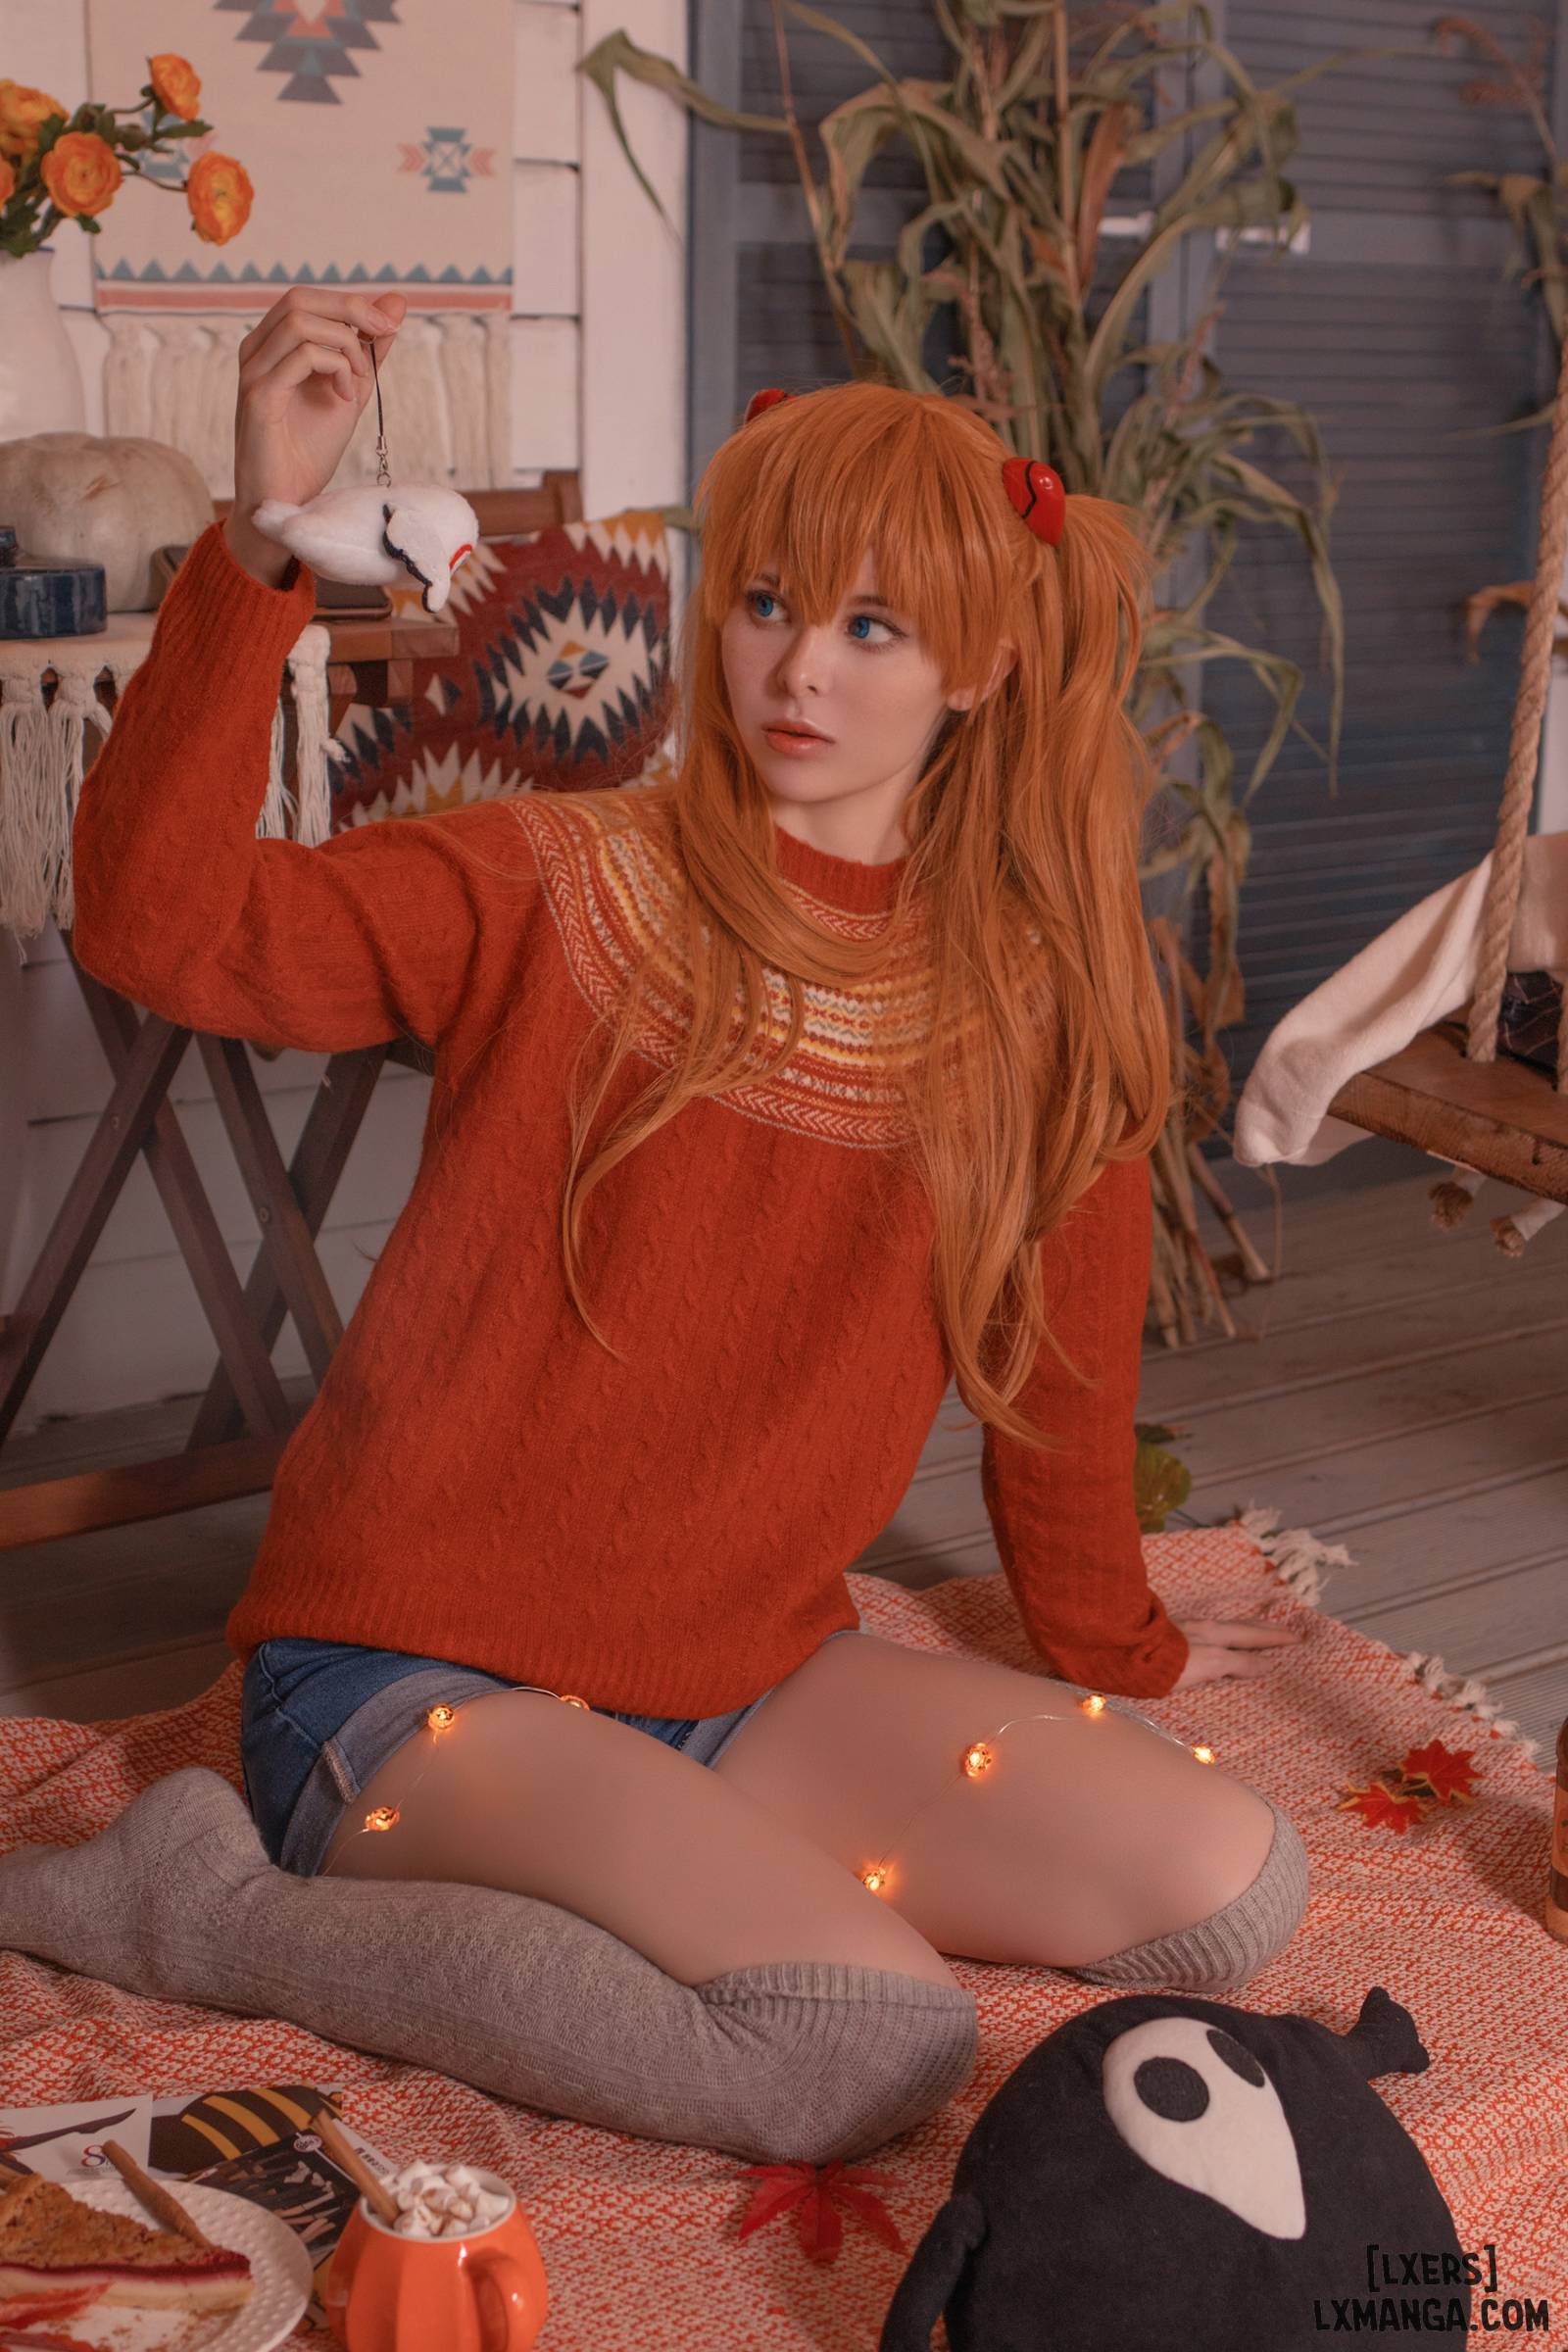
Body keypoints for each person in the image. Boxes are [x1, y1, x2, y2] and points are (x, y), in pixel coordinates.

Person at [14, 285, 1307, 2162]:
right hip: (407, 1669)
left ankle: (672, 1851)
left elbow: (1059, 1387)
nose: (799, 669)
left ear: (983, 666)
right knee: (855, 2047)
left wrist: (1123, 1653)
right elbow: (160, 926)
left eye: (874, 627)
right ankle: (201, 1911)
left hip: (742, 1676)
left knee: (1228, 1884)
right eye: (769, 603)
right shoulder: (557, 873)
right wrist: (257, 543)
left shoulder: (1044, 1000)